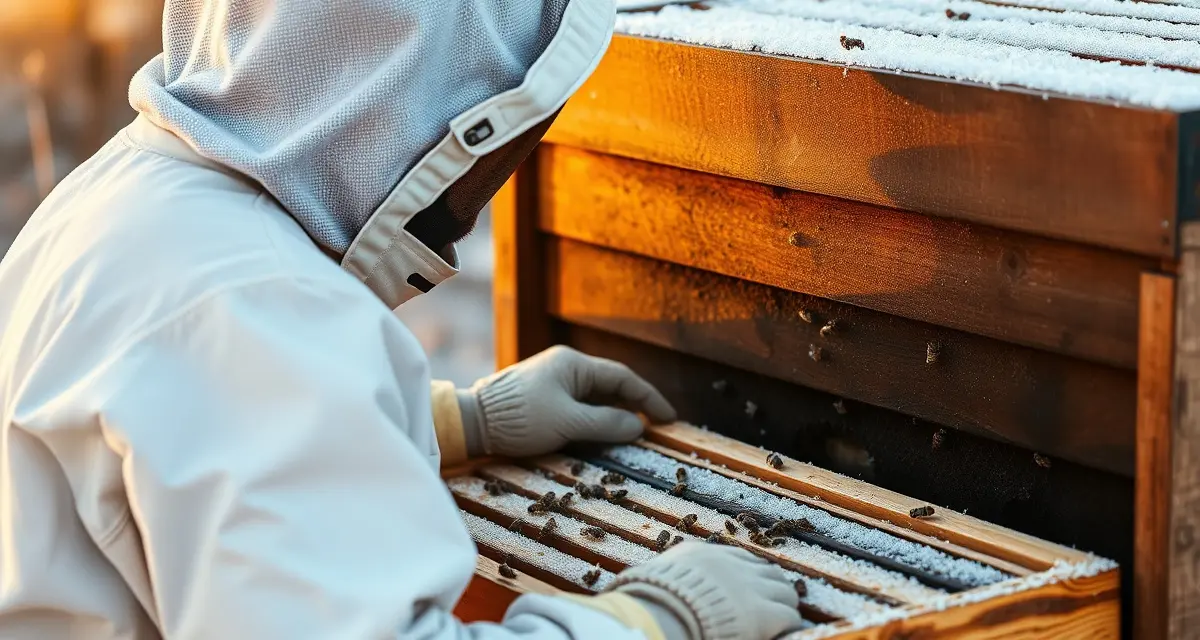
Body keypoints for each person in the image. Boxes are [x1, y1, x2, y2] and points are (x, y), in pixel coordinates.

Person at [0, 1, 805, 638]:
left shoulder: (127, 196)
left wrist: (458, 421)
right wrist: (649, 623)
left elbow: (172, 439)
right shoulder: (260, 306)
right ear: (404, 94)